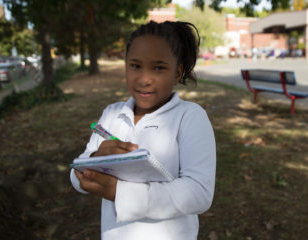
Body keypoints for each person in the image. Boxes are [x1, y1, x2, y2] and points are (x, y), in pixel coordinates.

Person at [70, 21, 216, 240]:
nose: (144, 79)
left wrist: (120, 193)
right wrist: (95, 158)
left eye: (158, 68)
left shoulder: (190, 117)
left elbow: (199, 194)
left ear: (177, 73)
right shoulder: (112, 114)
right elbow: (76, 175)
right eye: (135, 66)